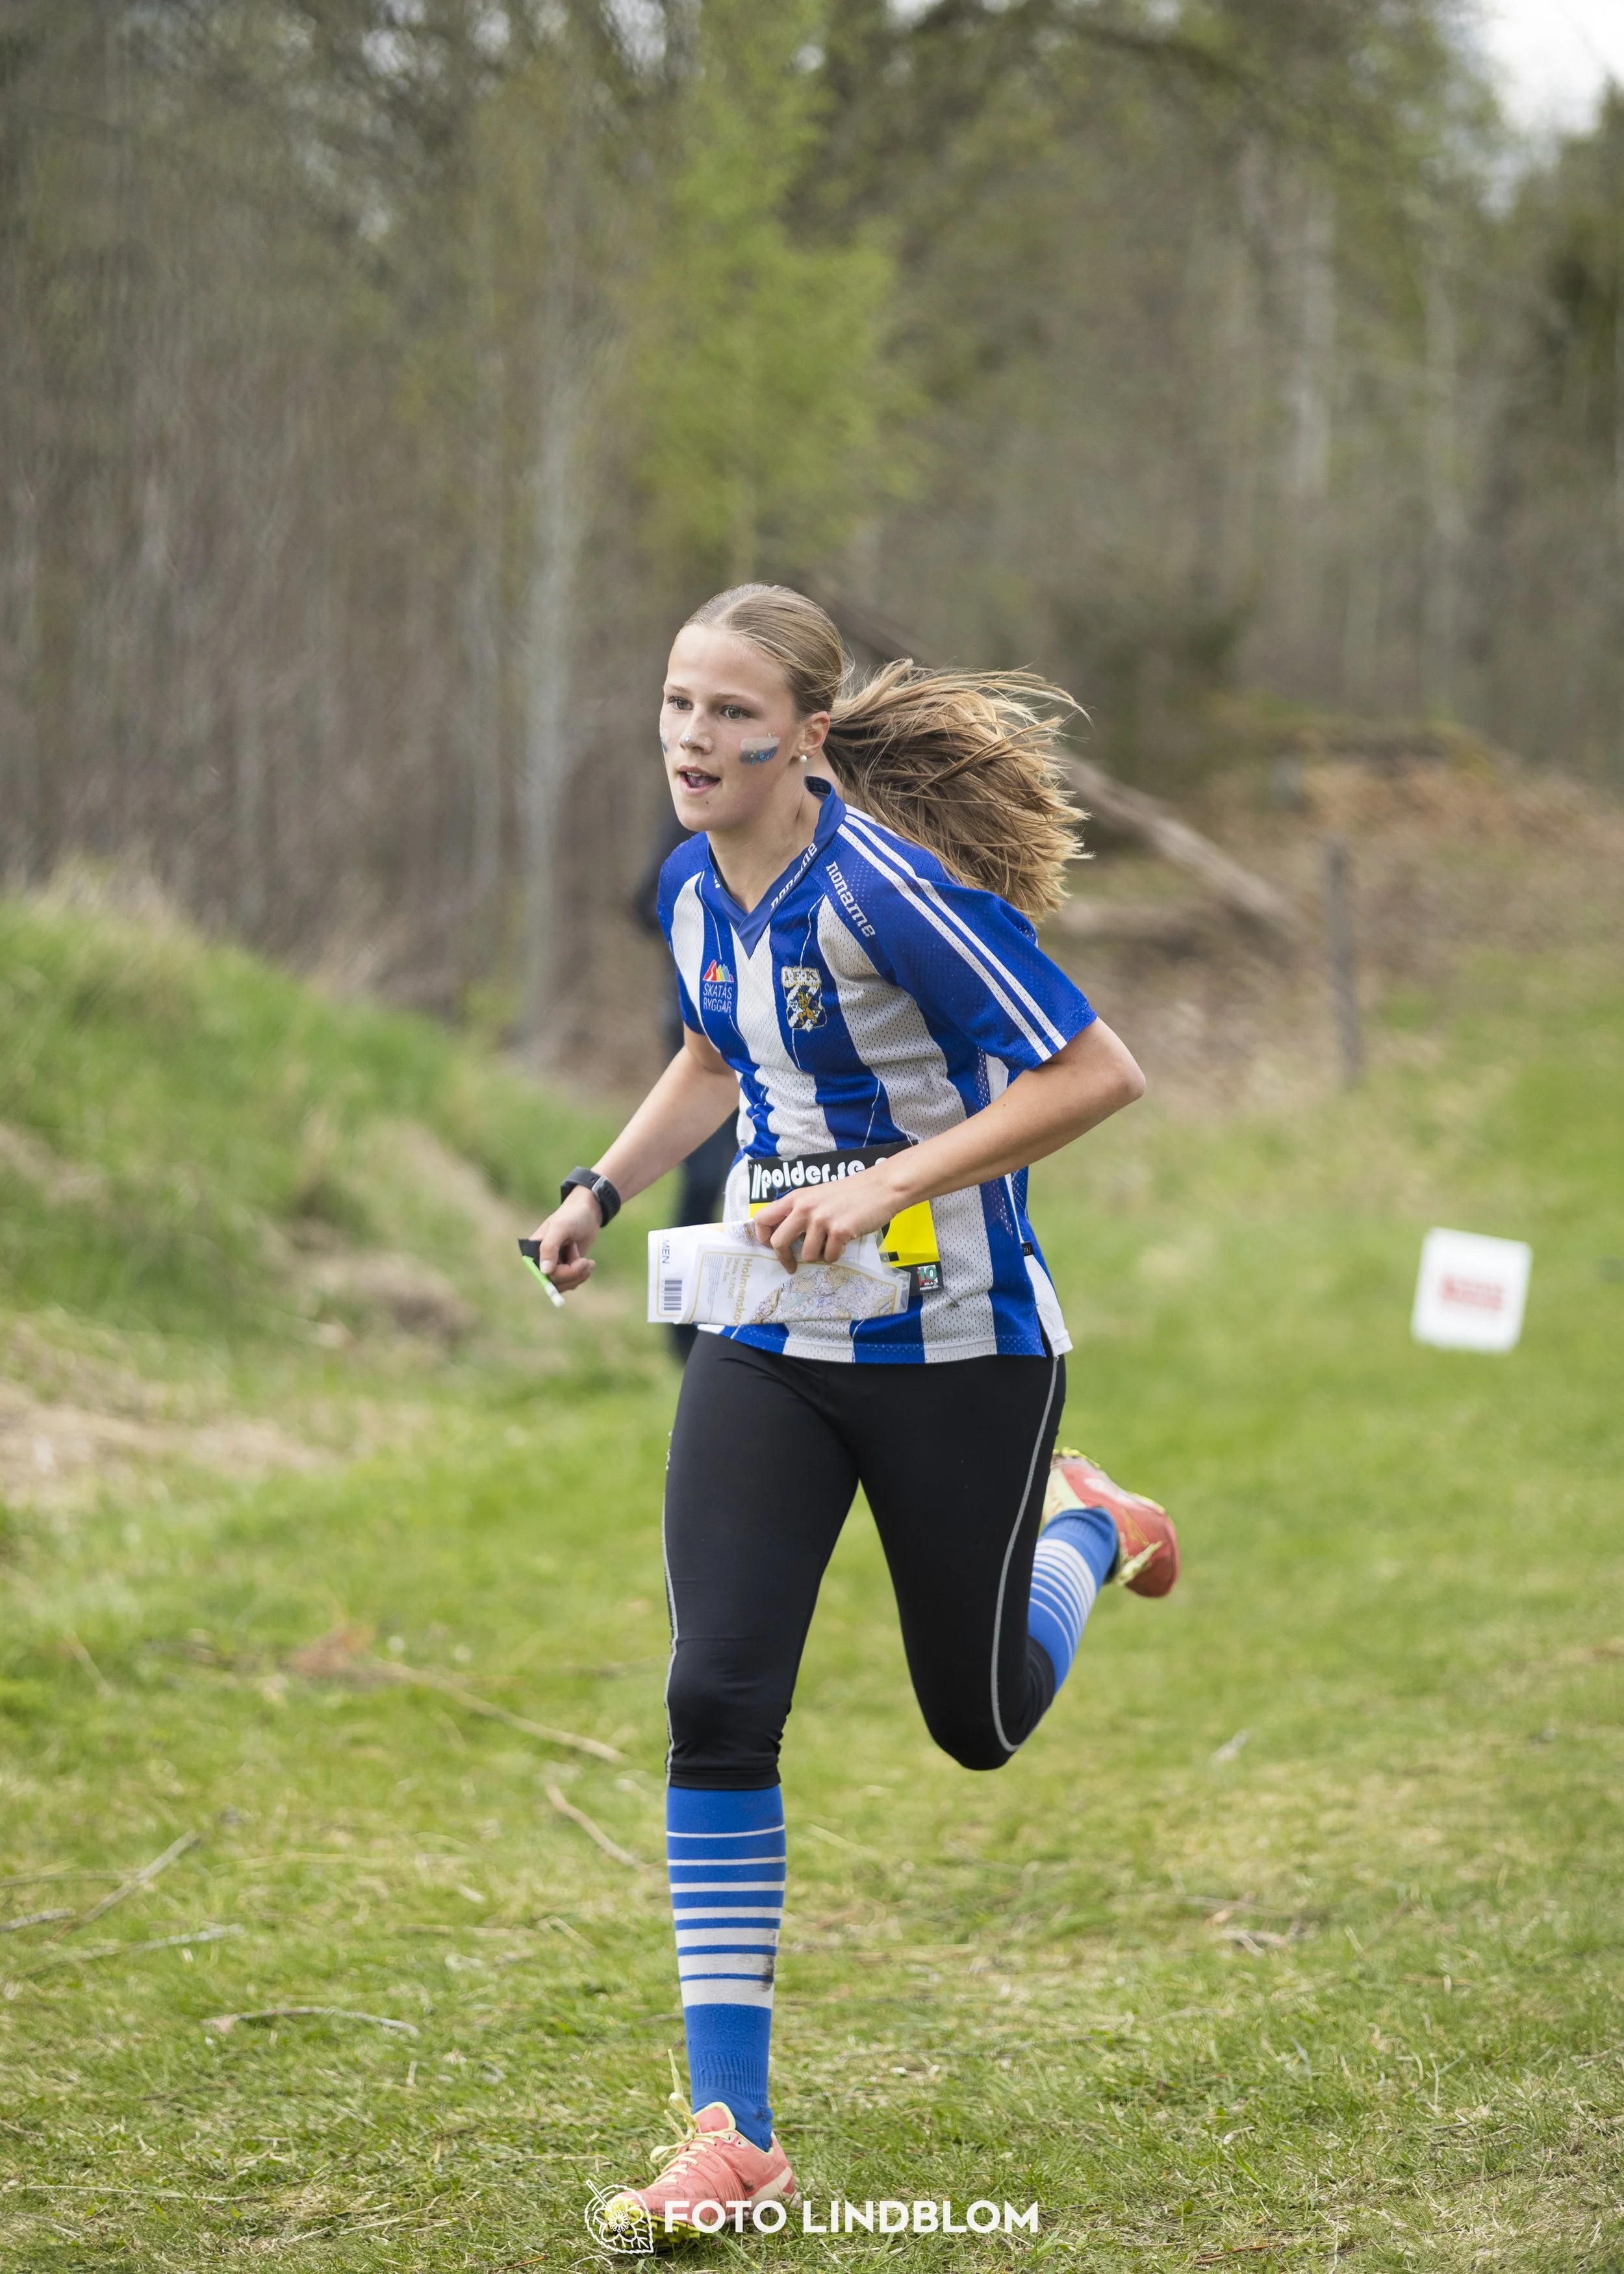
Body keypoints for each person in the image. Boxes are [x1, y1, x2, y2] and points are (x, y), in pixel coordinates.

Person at [528, 585, 1178, 2240]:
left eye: (731, 713)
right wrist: (601, 1188)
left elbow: (1093, 1073)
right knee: (716, 1690)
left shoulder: (895, 894)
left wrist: (887, 1177)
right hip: (767, 1345)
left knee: (976, 1718)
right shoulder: (690, 888)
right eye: (676, 703)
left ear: (804, 737)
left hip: (963, 1352)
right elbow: (707, 1051)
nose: (692, 738)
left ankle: (1089, 1524)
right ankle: (729, 2132)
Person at [631, 806, 737, 1361]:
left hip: (781, 1027)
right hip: (697, 1022)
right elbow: (643, 905)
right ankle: (682, 1333)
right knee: (703, 1175)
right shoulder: (691, 824)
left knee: (764, 1174)